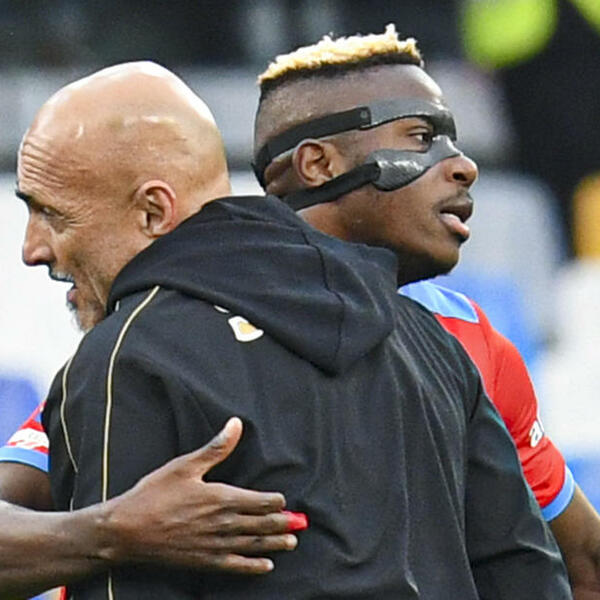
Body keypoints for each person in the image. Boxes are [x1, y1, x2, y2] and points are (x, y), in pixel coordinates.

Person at [6, 60, 570, 598]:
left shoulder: (129, 355)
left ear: (155, 211)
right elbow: (532, 574)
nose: (32, 249)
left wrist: (110, 535)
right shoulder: (434, 345)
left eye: (52, 214)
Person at [251, 25, 600, 598]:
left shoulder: (471, 336)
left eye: (453, 142)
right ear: (318, 164)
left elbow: (584, 561)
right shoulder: (190, 325)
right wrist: (111, 532)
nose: (464, 167)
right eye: (420, 138)